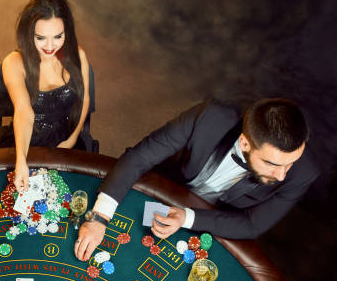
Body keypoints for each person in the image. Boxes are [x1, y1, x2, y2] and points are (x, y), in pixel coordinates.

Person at [75, 98, 319, 261]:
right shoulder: (210, 118)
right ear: (245, 143)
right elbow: (140, 157)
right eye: (273, 164)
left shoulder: (304, 172)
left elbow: (251, 224)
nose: (281, 176)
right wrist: (99, 217)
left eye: (291, 163)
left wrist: (188, 217)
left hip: (212, 221)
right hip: (167, 185)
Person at [1, 0, 91, 193]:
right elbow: (25, 112)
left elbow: (85, 99)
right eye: (41, 38)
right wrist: (21, 161)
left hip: (66, 137)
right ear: (28, 33)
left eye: (58, 36)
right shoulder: (14, 62)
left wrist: (72, 139)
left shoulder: (78, 55)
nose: (50, 46)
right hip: (27, 140)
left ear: (67, 31)